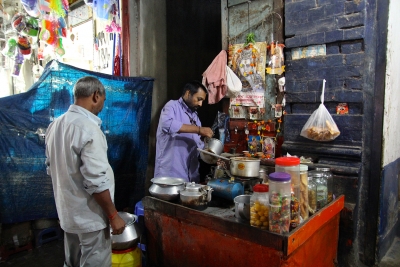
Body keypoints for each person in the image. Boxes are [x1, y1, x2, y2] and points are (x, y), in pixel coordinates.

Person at [45, 76, 126, 267]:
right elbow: (96, 182)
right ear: (96, 96)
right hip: (90, 218)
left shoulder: (55, 125)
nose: (102, 106)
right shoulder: (88, 129)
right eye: (103, 101)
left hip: (67, 214)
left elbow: (51, 168)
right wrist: (113, 216)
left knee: (71, 262)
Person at [154, 81, 214, 183]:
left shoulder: (195, 117)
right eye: (199, 99)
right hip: (170, 175)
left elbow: (198, 146)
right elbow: (166, 124)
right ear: (187, 93)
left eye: (202, 101)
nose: (200, 104)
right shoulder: (172, 106)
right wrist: (199, 130)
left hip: (190, 177)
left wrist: (213, 155)